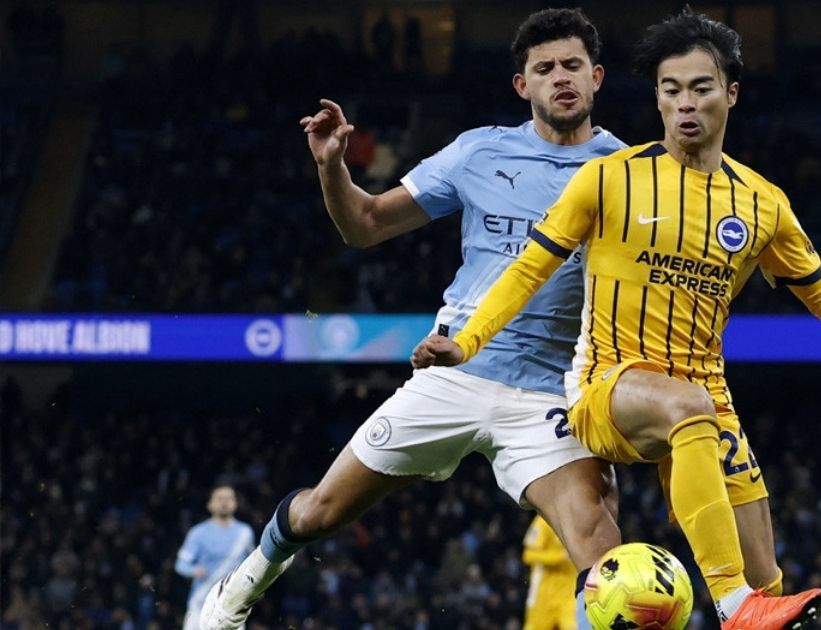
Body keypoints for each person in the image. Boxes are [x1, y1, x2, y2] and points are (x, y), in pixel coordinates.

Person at [411, 8, 821, 629]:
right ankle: (732, 603)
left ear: (730, 94)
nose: (685, 103)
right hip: (607, 388)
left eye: (700, 88)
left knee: (770, 581)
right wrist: (467, 342)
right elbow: (527, 270)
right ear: (656, 98)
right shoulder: (609, 178)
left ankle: (751, 600)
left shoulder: (762, 204)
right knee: (692, 420)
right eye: (670, 89)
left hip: (706, 399)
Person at [200, 9, 626, 629]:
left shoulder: (629, 172)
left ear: (596, 77)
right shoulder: (479, 151)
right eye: (544, 69)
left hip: (550, 393)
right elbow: (366, 224)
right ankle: (235, 593)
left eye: (571, 65)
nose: (560, 77)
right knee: (320, 513)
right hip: (453, 375)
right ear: (522, 85)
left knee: (603, 551)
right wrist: (332, 167)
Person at [175, 485, 254, 630]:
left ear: (236, 503)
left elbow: (253, 565)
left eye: (229, 498)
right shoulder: (197, 533)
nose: (224, 502)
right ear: (209, 505)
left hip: (232, 609)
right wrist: (195, 570)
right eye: (219, 499)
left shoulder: (245, 533)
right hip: (200, 604)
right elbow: (180, 565)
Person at [522, 514, 577, 630]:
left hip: (569, 592)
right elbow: (528, 555)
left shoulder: (579, 520)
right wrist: (559, 557)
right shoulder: (543, 520)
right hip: (543, 594)